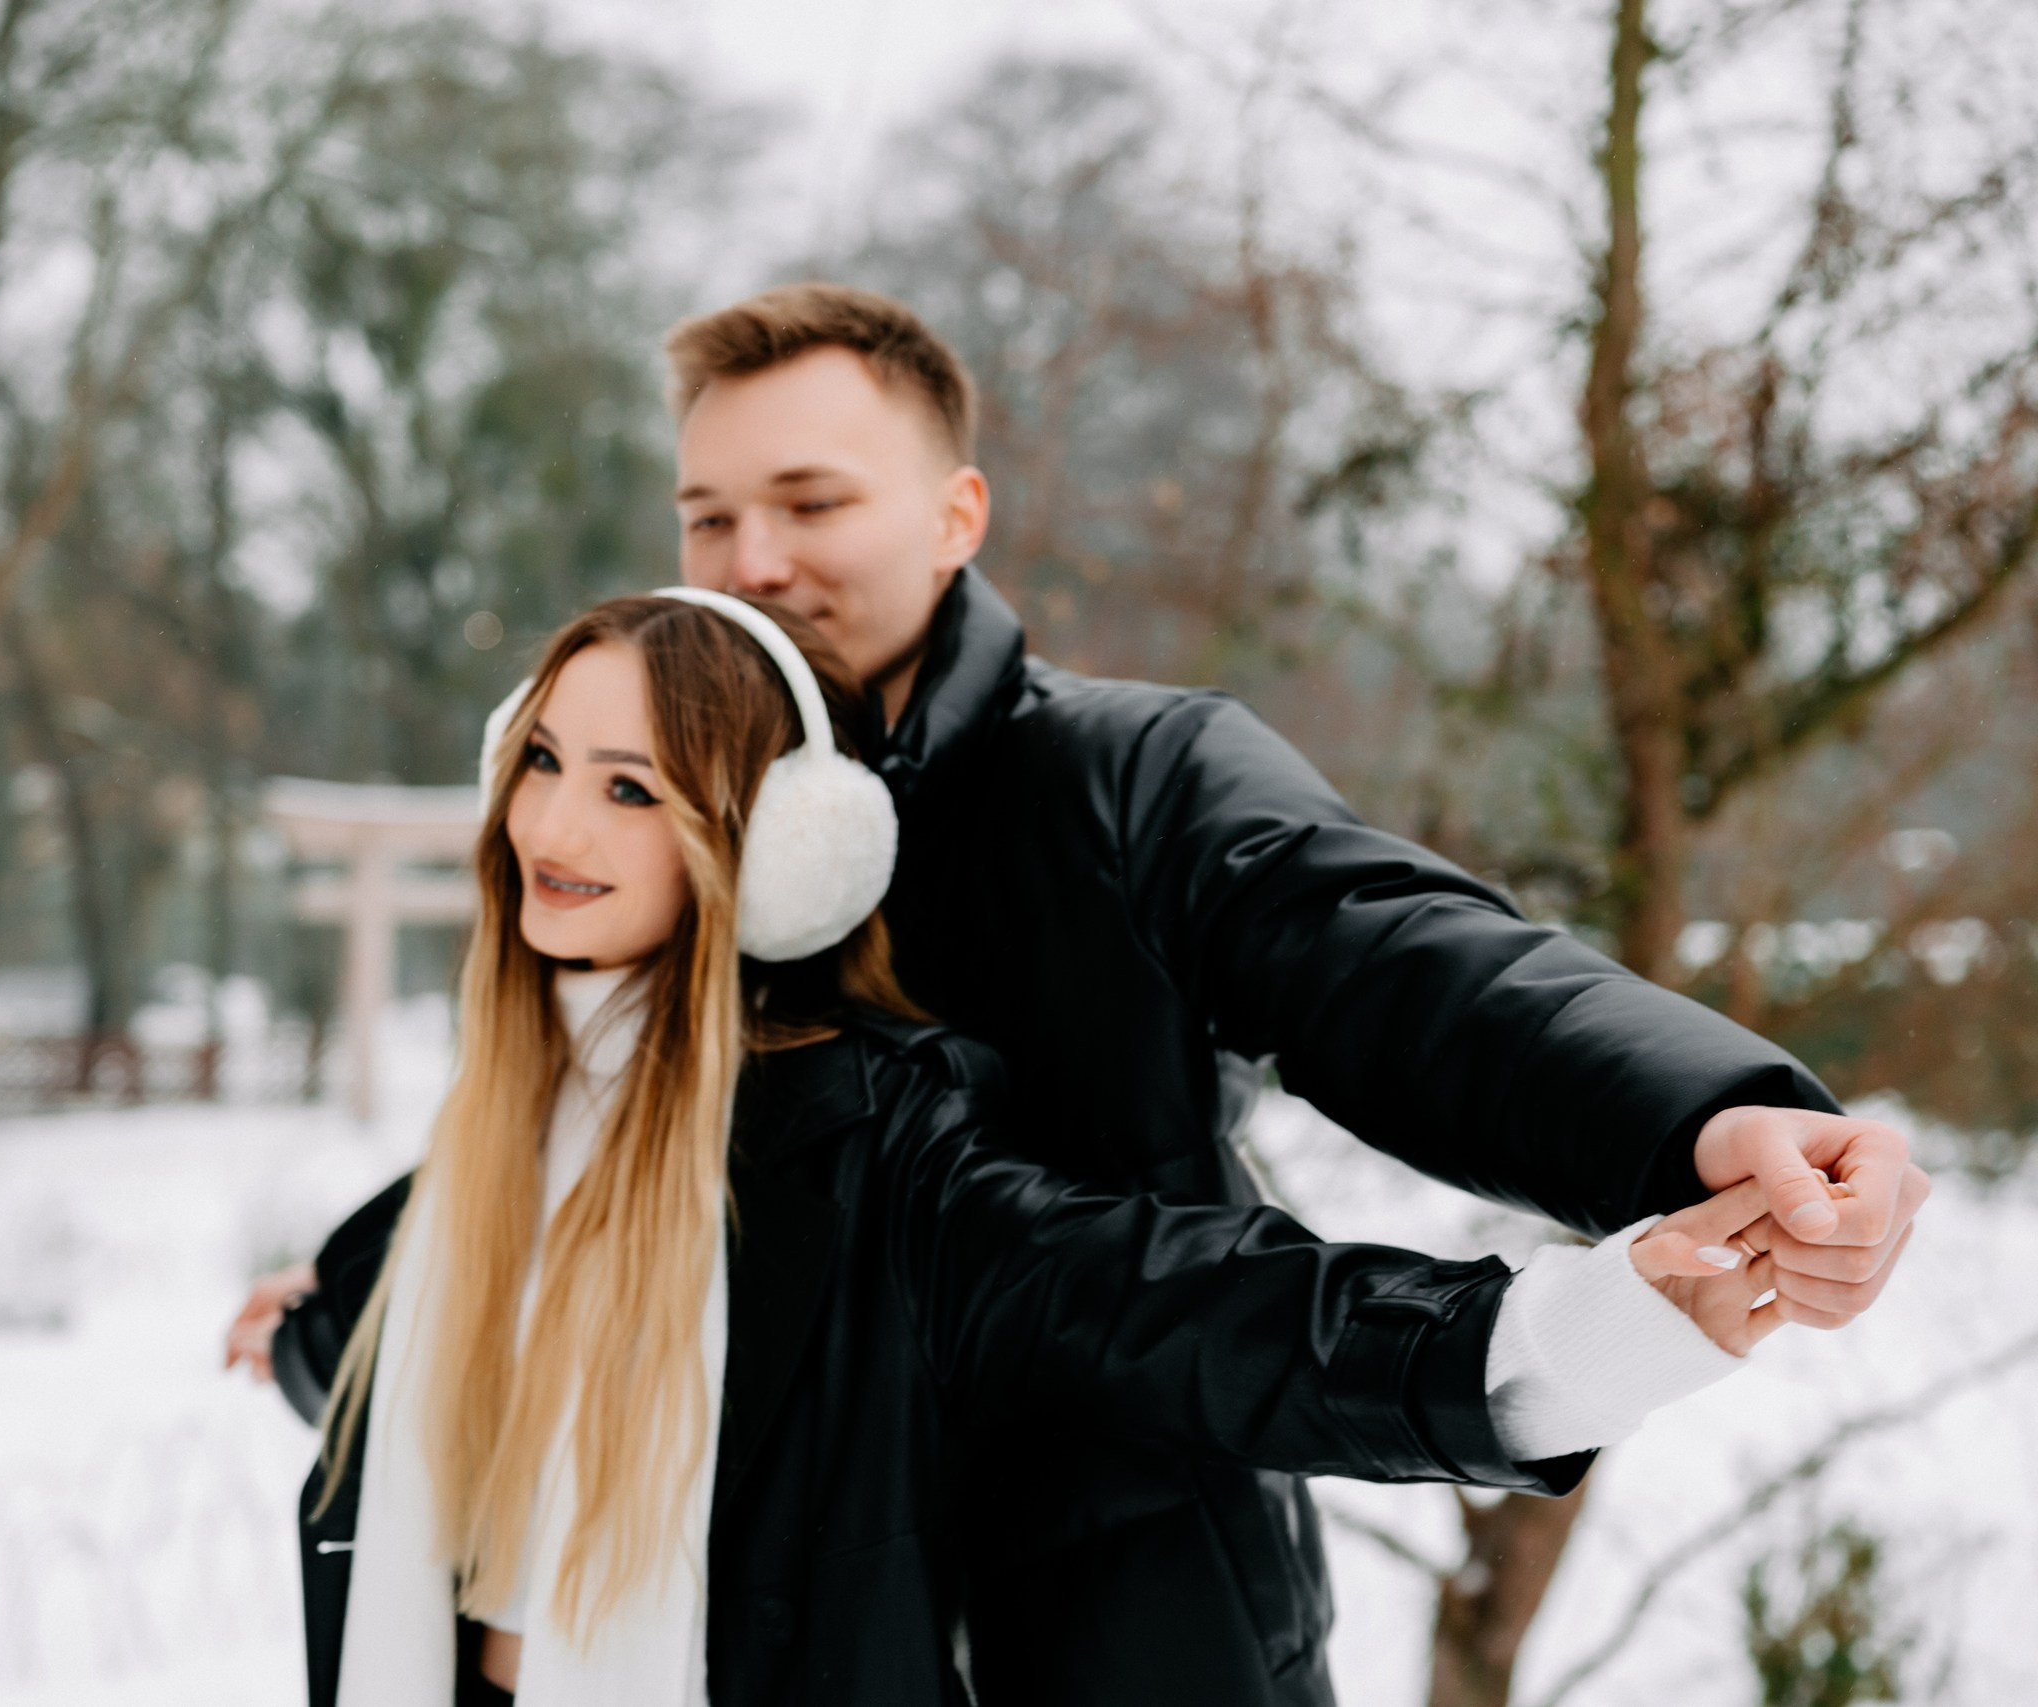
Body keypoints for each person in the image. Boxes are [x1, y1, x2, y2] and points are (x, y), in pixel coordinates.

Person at [638, 283, 1931, 1703]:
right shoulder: (654, 824)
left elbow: (1394, 961)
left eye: (811, 503)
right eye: (708, 516)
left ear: (958, 515)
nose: (751, 562)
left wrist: (1704, 1118)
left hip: (1142, 1617)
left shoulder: (1128, 778)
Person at [238, 589, 1802, 1707]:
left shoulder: (863, 1146)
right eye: (541, 760)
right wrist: (306, 1332)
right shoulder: (495, 1142)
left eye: (632, 787)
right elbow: (425, 1350)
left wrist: (1552, 1339)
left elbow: (1173, 1304)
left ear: (773, 855)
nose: (554, 828)